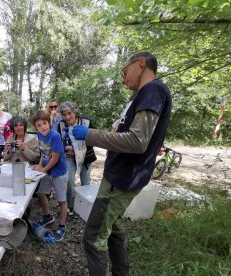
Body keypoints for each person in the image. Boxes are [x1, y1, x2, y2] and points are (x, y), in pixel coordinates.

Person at [71, 52, 172, 275]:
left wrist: (90, 134)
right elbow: (125, 134)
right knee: (114, 228)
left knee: (94, 237)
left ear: (141, 64)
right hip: (119, 175)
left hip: (123, 178)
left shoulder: (153, 90)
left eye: (124, 71)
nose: (122, 78)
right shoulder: (139, 95)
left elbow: (137, 141)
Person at [31, 110, 68, 243]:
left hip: (58, 172)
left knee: (61, 200)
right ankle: (48, 217)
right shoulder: (40, 135)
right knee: (41, 193)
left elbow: (55, 158)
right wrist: (39, 166)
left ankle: (62, 226)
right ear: (36, 127)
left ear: (49, 122)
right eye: (39, 125)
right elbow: (43, 153)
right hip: (47, 170)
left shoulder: (55, 136)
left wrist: (44, 170)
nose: (43, 127)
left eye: (45, 123)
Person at [57, 101, 97, 214]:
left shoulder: (86, 122)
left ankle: (86, 206)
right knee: (69, 182)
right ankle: (69, 205)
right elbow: (60, 142)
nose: (67, 117)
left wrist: (77, 150)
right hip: (69, 157)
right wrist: (66, 148)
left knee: (85, 182)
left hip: (85, 157)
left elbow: (93, 140)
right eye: (64, 114)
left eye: (69, 113)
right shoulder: (61, 124)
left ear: (75, 112)